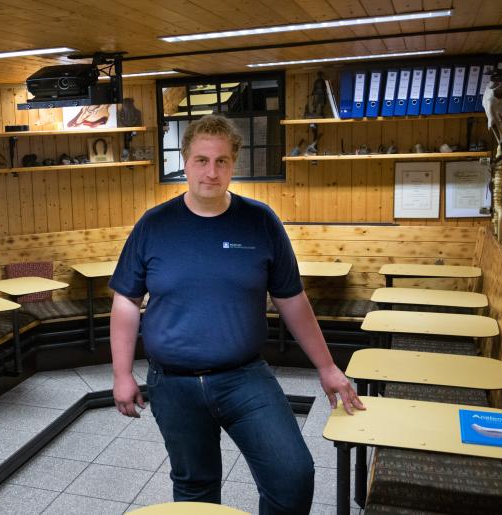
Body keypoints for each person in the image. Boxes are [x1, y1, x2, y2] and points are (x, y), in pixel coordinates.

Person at [109, 114, 365, 514]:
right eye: (201, 161)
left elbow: (292, 300)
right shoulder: (154, 225)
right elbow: (125, 302)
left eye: (222, 161)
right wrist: (122, 374)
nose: (211, 172)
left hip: (244, 377)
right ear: (185, 160)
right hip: (173, 383)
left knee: (293, 474)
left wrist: (328, 366)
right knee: (196, 488)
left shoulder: (260, 221)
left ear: (234, 164)